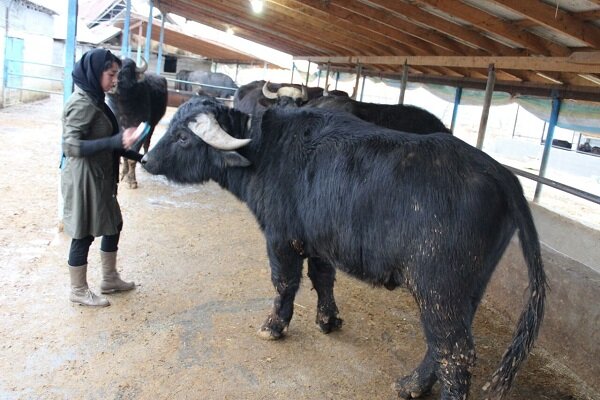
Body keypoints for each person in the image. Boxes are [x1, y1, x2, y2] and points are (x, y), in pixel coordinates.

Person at [61, 48, 143, 307]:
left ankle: (109, 279)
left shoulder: (97, 99)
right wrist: (115, 140)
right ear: (96, 73)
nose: (115, 80)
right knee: (83, 234)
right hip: (85, 178)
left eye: (116, 74)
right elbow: (71, 147)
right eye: (111, 74)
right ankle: (78, 290)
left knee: (114, 224)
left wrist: (139, 158)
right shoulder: (82, 103)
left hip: (101, 176)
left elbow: (107, 142)